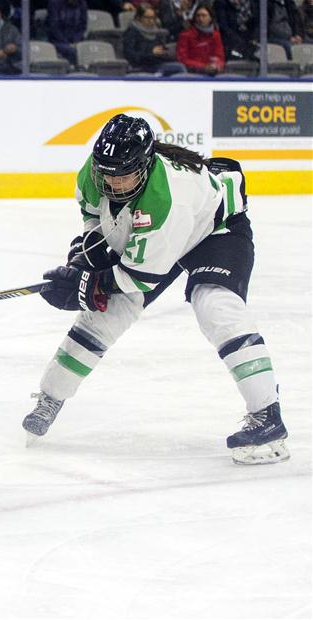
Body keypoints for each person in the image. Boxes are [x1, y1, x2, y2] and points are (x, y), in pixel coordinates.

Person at [23, 114, 289, 466]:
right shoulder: (95, 172)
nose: (114, 183)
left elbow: (141, 278)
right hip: (159, 232)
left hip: (215, 230)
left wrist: (91, 283)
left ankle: (268, 417)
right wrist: (84, 259)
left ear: (145, 166)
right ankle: (50, 397)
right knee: (105, 314)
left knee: (215, 305)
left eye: (124, 175)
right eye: (108, 174)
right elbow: (92, 219)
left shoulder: (168, 198)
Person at [122, 4, 185, 74]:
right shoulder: (131, 33)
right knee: (179, 68)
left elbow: (158, 51)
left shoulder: (155, 31)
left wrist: (165, 52)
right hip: (141, 66)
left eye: (153, 18)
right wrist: (151, 53)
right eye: (147, 18)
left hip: (156, 64)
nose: (151, 21)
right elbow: (131, 56)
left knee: (179, 64)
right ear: (138, 18)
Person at [177, 4, 225, 74]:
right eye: (198, 16)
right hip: (192, 73)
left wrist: (216, 65)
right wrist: (203, 67)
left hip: (213, 72)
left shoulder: (216, 35)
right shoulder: (185, 35)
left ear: (210, 18)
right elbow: (182, 59)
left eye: (204, 15)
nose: (200, 18)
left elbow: (219, 56)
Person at [47, 0, 87, 67]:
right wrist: (67, 43)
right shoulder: (54, 3)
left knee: (88, 49)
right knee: (72, 51)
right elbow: (53, 28)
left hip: (76, 41)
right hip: (57, 41)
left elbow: (82, 26)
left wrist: (76, 41)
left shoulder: (82, 3)